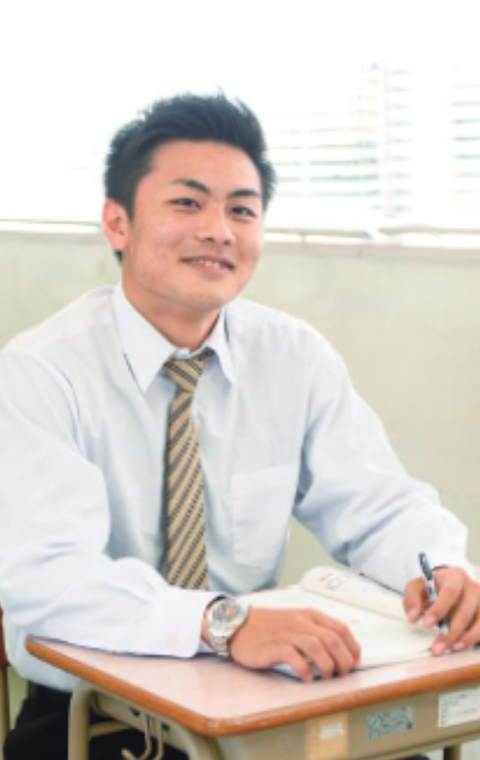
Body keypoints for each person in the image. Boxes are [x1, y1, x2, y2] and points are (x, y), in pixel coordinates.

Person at [0, 92, 479, 760]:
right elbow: (50, 578)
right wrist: (219, 622)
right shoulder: (40, 371)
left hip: (258, 699)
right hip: (96, 710)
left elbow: (378, 503)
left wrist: (443, 568)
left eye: (242, 210)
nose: (219, 230)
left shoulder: (293, 356)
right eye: (187, 203)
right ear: (117, 223)